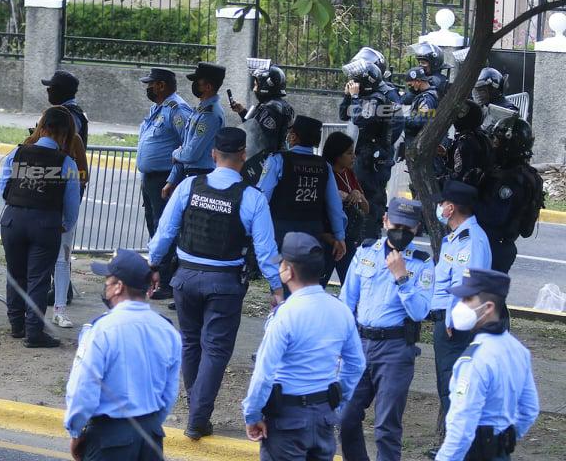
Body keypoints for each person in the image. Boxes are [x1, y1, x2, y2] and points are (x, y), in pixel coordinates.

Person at [148, 127, 282, 440]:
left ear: (212, 155)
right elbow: (266, 251)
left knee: (192, 343)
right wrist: (277, 288)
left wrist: (153, 266)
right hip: (224, 283)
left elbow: (165, 231)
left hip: (186, 279)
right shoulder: (253, 197)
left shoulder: (189, 186)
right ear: (244, 156)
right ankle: (198, 417)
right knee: (216, 350)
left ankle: (197, 410)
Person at [242, 232, 365, 461]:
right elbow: (356, 364)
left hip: (287, 419)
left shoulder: (285, 314)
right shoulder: (341, 310)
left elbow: (263, 374)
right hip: (324, 416)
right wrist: (337, 401)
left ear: (288, 271)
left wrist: (252, 414)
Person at [339, 197, 434, 461]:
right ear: (385, 221)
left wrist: (402, 277)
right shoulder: (366, 252)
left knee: (386, 427)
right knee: (345, 416)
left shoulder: (422, 263)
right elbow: (347, 301)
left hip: (394, 350)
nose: (400, 231)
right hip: (359, 345)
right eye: (396, 224)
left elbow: (420, 312)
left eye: (408, 227)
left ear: (416, 229)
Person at [64, 249, 181, 461]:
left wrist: (76, 431)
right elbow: (169, 392)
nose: (105, 287)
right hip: (151, 437)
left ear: (119, 286)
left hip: (109, 439)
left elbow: (83, 387)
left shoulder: (101, 329)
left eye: (108, 281)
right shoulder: (168, 331)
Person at [0, 107, 81, 348]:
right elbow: (71, 204)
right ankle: (34, 332)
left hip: (13, 219)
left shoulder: (18, 152)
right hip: (46, 224)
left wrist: (18, 206)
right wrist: (64, 225)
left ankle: (16, 325)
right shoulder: (67, 163)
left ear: (41, 128)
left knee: (15, 275)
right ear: (65, 135)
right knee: (38, 278)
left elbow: (4, 186)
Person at [435, 269, 540, 461]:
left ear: (488, 307)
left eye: (467, 300)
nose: (460, 306)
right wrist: (501, 441)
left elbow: (462, 426)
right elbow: (529, 410)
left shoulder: (474, 360)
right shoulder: (518, 350)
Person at [429, 180, 492, 453]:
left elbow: (469, 282)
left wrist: (454, 318)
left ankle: (462, 451)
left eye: (442, 203)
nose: (439, 208)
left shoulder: (470, 239)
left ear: (450, 207)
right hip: (449, 322)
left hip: (457, 325)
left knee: (454, 387)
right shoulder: (455, 238)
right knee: (449, 387)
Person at [257, 115, 347, 284]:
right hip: (312, 235)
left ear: (294, 136)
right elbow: (335, 206)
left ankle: (280, 303)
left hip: (280, 236)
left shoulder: (278, 160)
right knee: (305, 281)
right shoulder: (324, 166)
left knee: (281, 277)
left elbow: (262, 198)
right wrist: (339, 236)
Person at [25, 114, 89, 328]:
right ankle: (30, 308)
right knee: (33, 261)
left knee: (62, 261)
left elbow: (83, 173)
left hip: (61, 210)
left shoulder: (74, 141)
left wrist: (65, 177)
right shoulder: (32, 141)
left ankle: (60, 310)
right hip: (37, 207)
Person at [137, 68, 192, 301]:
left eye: (150, 84)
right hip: (151, 179)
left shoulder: (177, 110)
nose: (147, 88)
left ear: (161, 85)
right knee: (154, 227)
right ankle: (157, 276)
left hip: (165, 179)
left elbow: (187, 144)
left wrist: (173, 178)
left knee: (166, 229)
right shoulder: (157, 109)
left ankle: (168, 282)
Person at [476, 117, 543, 273]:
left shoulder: (510, 180)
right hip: (500, 246)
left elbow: (494, 217)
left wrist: (468, 202)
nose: (494, 145)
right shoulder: (524, 174)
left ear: (509, 145)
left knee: (481, 295)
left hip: (493, 247)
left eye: (497, 141)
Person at [339, 60, 394, 239]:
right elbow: (343, 114)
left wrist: (355, 98)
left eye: (356, 81)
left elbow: (361, 119)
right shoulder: (365, 98)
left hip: (373, 160)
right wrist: (348, 96)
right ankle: (358, 232)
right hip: (362, 155)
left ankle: (370, 236)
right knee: (357, 193)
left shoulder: (377, 99)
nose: (353, 84)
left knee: (371, 197)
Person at [229, 64, 295, 185]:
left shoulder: (271, 108)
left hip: (267, 161)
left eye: (256, 84)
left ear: (267, 84)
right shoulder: (282, 106)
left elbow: (257, 135)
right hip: (281, 158)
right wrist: (242, 111)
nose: (254, 89)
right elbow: (254, 125)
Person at [166, 62, 227, 188]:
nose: (194, 85)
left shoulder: (210, 115)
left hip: (201, 176)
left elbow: (191, 154)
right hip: (193, 175)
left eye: (197, 82)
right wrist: (172, 179)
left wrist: (175, 154)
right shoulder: (201, 109)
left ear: (208, 87)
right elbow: (186, 146)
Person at [322, 131, 369, 284]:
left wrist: (358, 195)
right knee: (319, 284)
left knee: (351, 285)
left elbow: (366, 209)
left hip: (348, 239)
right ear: (337, 154)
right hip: (327, 238)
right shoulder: (323, 171)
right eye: (349, 153)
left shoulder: (349, 173)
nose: (353, 157)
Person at [43, 70, 89, 146]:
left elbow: (61, 145)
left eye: (51, 88)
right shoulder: (75, 112)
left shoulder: (65, 115)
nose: (48, 90)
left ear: (60, 90)